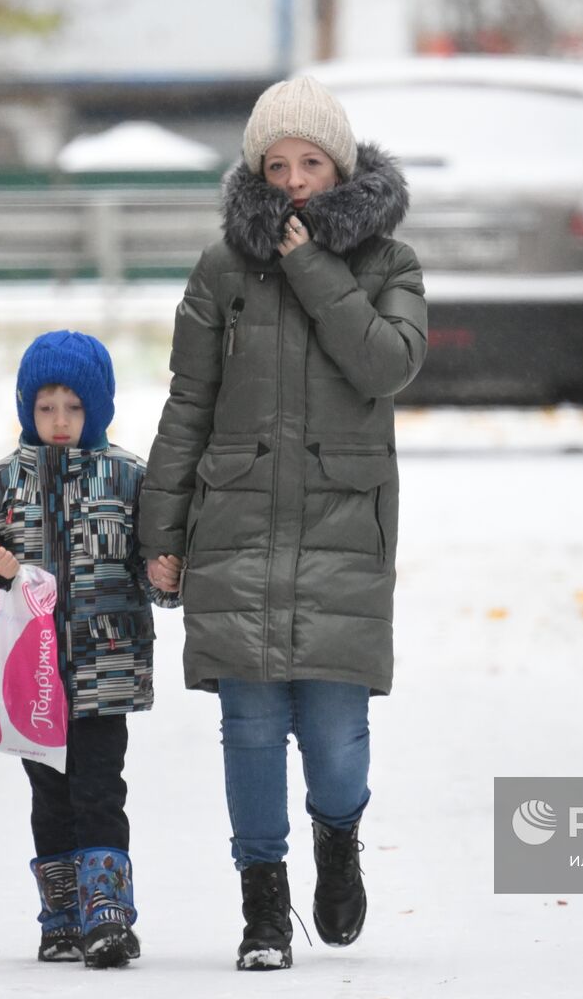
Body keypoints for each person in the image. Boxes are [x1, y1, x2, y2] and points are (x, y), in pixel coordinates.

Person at [139, 74, 426, 971]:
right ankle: (262, 905)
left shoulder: (391, 263)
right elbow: (189, 404)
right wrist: (162, 534)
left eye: (311, 163)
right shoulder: (221, 269)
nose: (295, 181)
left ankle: (337, 839)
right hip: (237, 527)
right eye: (277, 165)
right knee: (252, 733)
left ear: (341, 167)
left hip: (342, 529)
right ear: (256, 172)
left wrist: (312, 266)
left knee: (337, 742)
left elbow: (388, 366)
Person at [0, 329, 180, 968]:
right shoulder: (0, 484)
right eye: (45, 407)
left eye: (73, 408)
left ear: (97, 409)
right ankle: (62, 915)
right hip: (30, 675)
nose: (58, 421)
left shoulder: (129, 478)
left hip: (107, 666)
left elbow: (154, 569)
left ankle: (108, 912)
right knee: (49, 793)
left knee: (100, 787)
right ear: (26, 407)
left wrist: (164, 577)